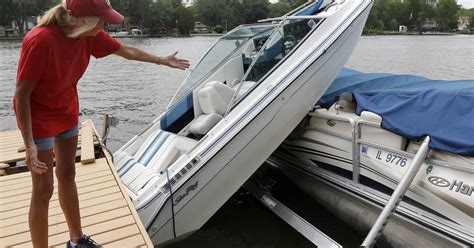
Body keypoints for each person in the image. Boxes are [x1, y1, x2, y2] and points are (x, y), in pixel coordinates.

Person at [14, 0, 190, 247]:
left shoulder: (87, 35)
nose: (105, 25)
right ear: (83, 19)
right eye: (102, 20)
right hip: (39, 117)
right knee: (43, 188)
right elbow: (22, 93)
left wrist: (161, 60)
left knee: (67, 173)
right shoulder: (40, 40)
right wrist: (29, 142)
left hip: (66, 112)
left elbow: (125, 50)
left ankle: (77, 240)